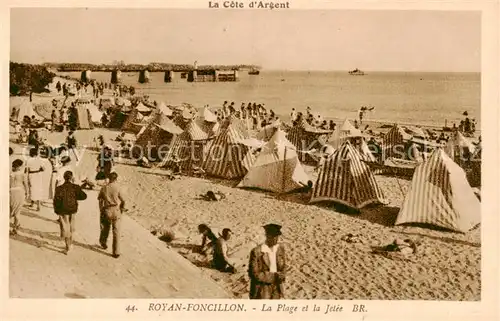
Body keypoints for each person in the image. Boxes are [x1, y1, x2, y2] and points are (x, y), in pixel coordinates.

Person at [248, 224, 287, 299]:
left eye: (277, 237)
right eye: (273, 237)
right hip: (261, 289)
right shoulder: (256, 252)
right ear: (267, 236)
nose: (276, 239)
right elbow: (254, 274)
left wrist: (282, 275)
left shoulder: (280, 249)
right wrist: (274, 276)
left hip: (277, 287)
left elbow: (283, 266)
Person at [53, 171, 87, 254]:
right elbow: (84, 196)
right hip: (73, 209)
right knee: (71, 227)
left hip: (63, 209)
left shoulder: (59, 188)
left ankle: (67, 247)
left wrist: (57, 211)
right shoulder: (75, 187)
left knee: (66, 227)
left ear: (64, 178)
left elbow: (56, 201)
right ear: (72, 178)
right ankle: (70, 243)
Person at [98, 172, 126, 258]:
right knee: (116, 231)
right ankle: (116, 251)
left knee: (105, 228)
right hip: (116, 210)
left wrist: (101, 209)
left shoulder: (104, 187)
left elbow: (100, 200)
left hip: (107, 209)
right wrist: (122, 208)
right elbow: (123, 200)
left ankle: (103, 242)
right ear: (116, 179)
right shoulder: (118, 187)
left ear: (109, 178)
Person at [10, 159, 27, 235]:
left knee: (10, 211)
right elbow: (26, 185)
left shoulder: (11, 174)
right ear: (20, 166)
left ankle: (15, 226)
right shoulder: (23, 174)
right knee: (17, 212)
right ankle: (15, 228)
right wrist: (27, 193)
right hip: (20, 192)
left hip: (12, 192)